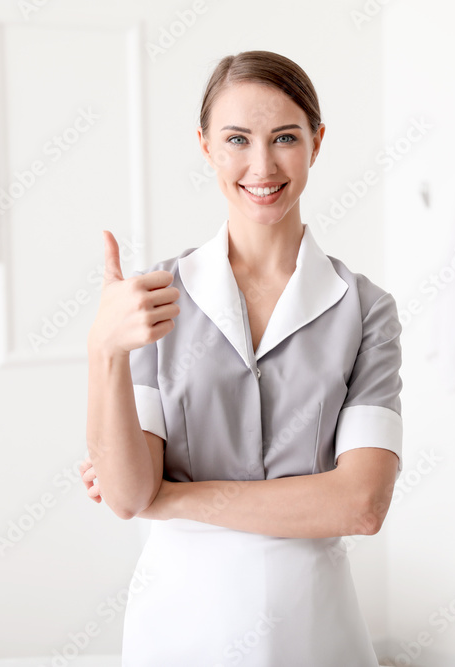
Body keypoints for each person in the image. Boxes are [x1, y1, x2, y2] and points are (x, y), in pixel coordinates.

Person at [80, 50, 403, 666]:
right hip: (180, 625)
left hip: (314, 630)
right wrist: (105, 349)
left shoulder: (364, 309)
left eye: (285, 137)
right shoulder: (153, 299)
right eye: (236, 139)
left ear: (317, 142)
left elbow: (361, 505)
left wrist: (169, 497)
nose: (262, 165)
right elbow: (124, 495)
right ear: (205, 146)